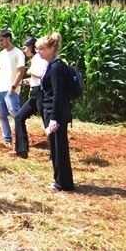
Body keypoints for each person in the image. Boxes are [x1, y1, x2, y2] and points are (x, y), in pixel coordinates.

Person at [37, 33, 75, 191]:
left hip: (56, 113)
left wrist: (53, 118)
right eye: (37, 48)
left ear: (52, 49)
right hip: (53, 111)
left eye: (41, 48)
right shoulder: (52, 66)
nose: (38, 51)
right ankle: (61, 180)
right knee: (55, 147)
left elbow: (58, 94)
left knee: (59, 148)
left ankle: (63, 182)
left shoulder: (56, 67)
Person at [0, 29, 25, 146]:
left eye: (1, 40)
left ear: (8, 39)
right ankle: (7, 139)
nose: (0, 43)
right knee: (1, 115)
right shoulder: (1, 54)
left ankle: (21, 140)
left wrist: (13, 86)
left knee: (15, 115)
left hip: (10, 89)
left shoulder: (18, 53)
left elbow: (21, 71)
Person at [13, 37, 49, 158]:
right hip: (35, 92)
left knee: (48, 122)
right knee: (19, 117)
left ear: (32, 48)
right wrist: (29, 81)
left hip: (41, 93)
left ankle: (55, 153)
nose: (24, 50)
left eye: (25, 47)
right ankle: (22, 150)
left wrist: (31, 72)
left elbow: (44, 75)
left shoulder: (39, 58)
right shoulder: (35, 59)